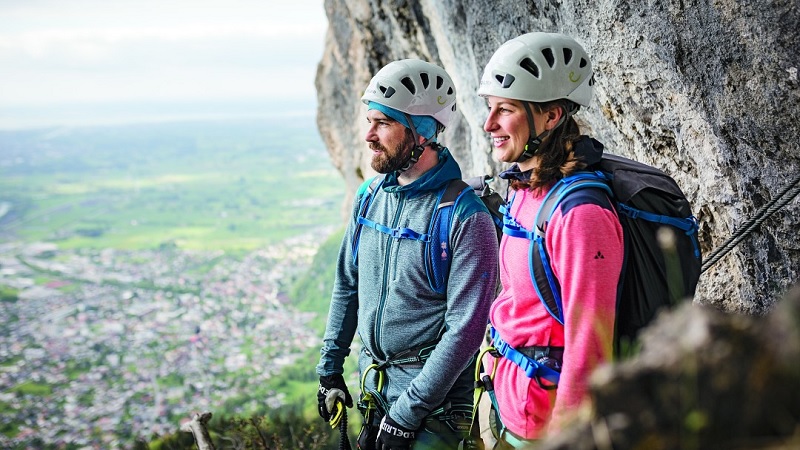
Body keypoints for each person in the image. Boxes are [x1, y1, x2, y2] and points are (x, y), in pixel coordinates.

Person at [316, 58, 500, 450]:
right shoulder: (370, 197)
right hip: (376, 394)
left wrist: (406, 415)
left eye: (383, 123)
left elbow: (465, 331)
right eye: (370, 121)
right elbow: (348, 285)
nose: (368, 135)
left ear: (422, 133)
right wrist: (329, 371)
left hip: (434, 411)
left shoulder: (466, 218)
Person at [476, 32, 625, 448]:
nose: (489, 125)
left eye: (504, 110)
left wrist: (566, 437)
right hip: (508, 399)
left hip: (542, 426)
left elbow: (590, 345)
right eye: (490, 109)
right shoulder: (528, 189)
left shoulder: (580, 215)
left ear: (552, 116)